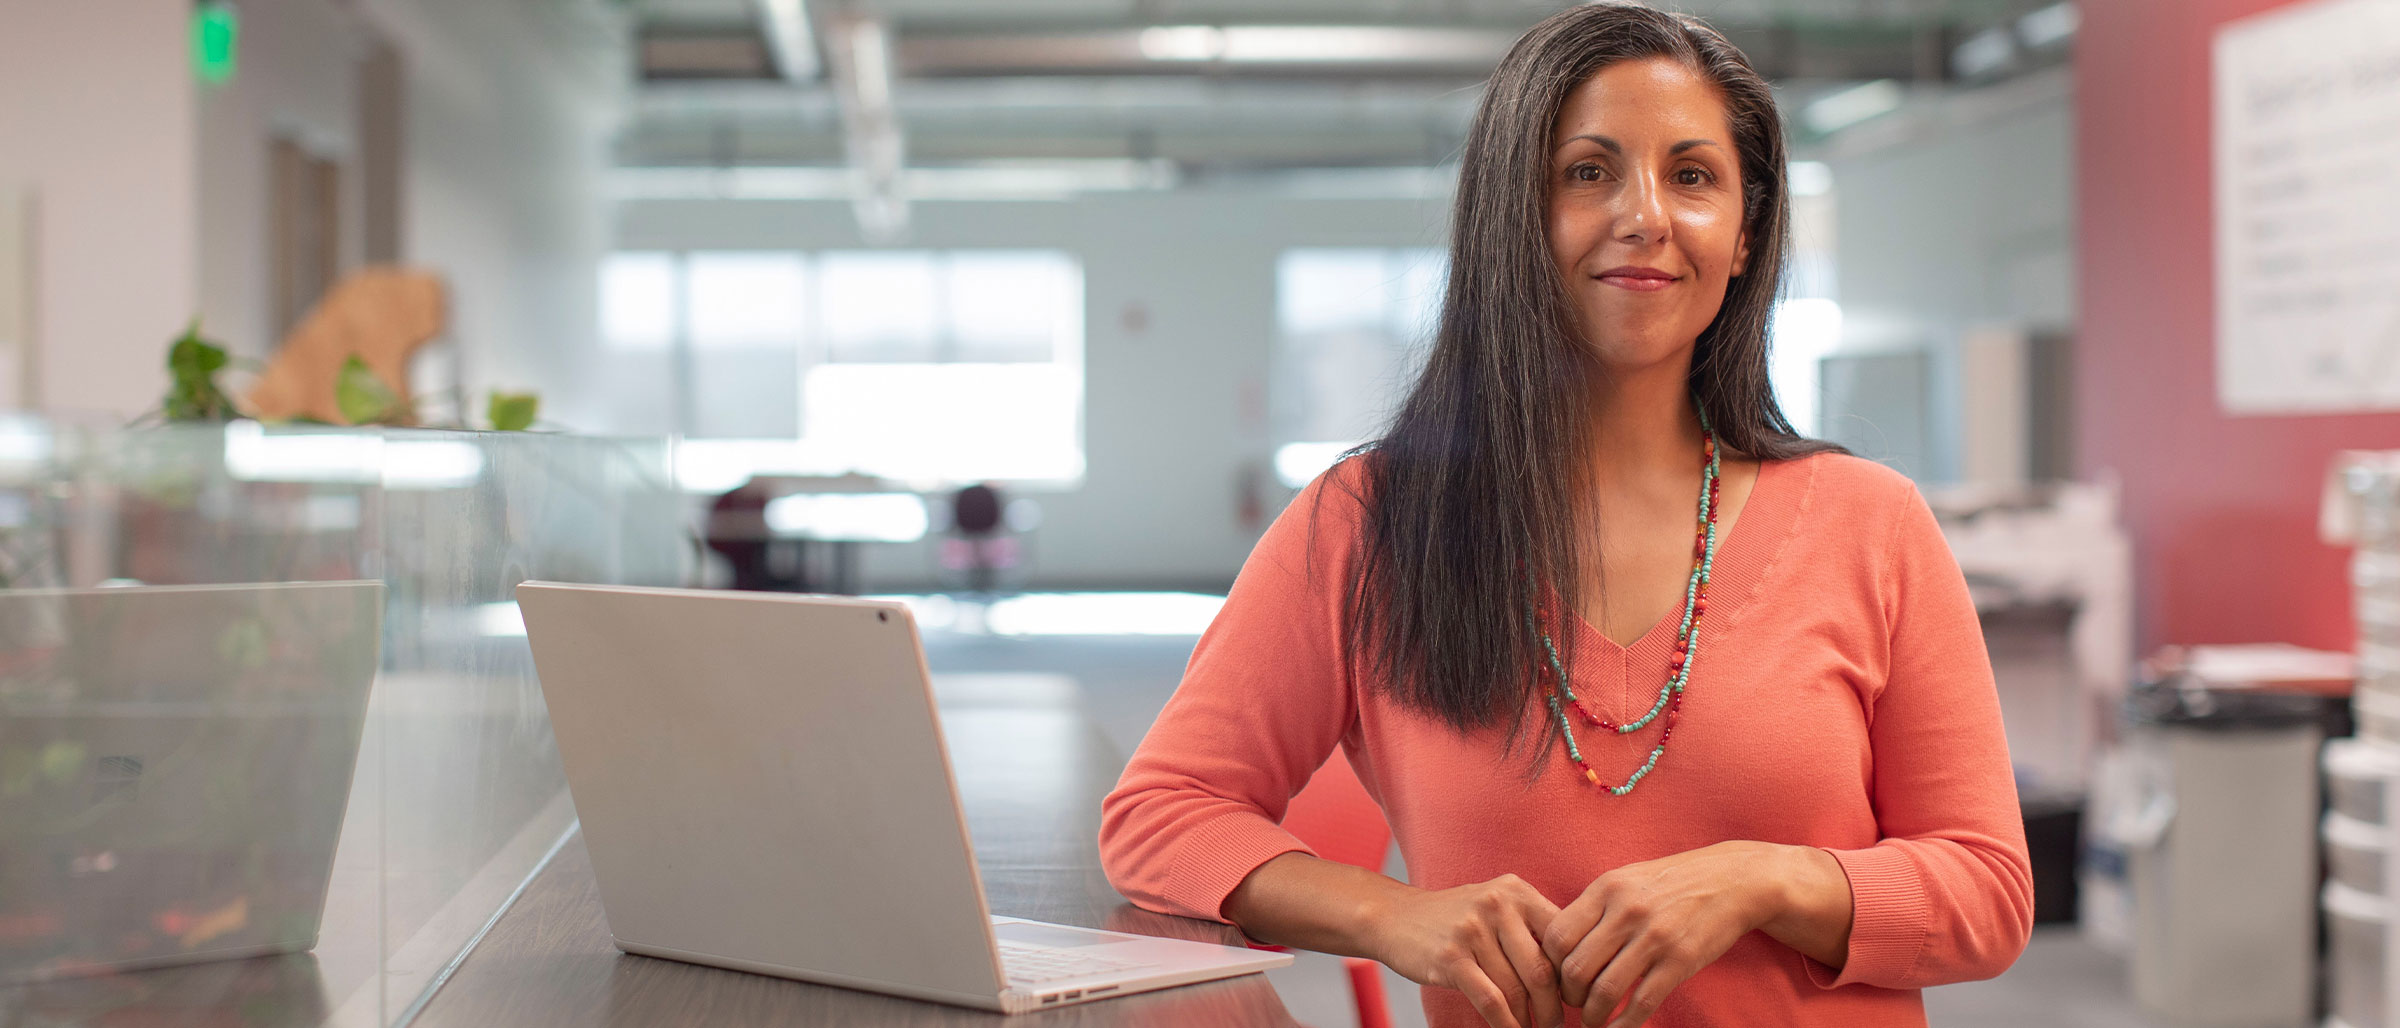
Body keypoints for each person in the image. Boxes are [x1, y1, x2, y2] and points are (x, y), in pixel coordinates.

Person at [1096, 5, 2032, 1027]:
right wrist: (1391, 913)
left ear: (1745, 228)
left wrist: (1767, 880)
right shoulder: (1365, 525)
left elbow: (1989, 893)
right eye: (1589, 171)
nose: (1646, 215)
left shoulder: (1873, 523)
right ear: (1515, 214)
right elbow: (1159, 815)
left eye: (1693, 176)